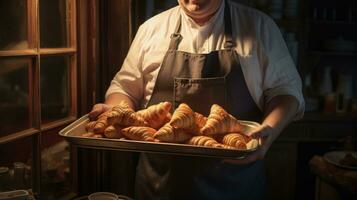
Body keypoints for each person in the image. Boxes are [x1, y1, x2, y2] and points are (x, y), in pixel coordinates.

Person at [89, 0, 305, 199]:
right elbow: (125, 89)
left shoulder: (258, 27)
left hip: (236, 185)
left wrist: (269, 129)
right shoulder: (151, 29)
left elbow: (285, 91)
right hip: (160, 186)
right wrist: (117, 112)